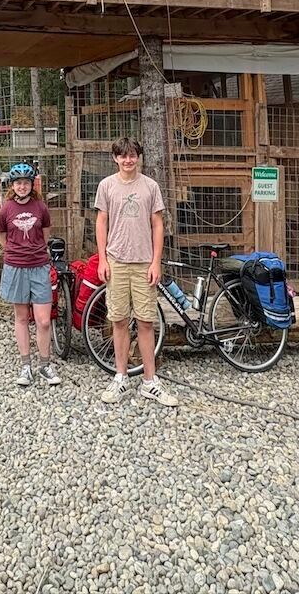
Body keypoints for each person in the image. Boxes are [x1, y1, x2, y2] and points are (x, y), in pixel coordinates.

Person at [94, 137, 177, 407]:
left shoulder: (150, 186)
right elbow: (101, 222)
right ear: (115, 158)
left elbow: (157, 224)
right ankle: (120, 376)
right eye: (123, 156)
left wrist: (156, 262)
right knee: (118, 320)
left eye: (132, 156)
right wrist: (103, 259)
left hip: (143, 263)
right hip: (117, 261)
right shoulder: (107, 186)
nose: (128, 160)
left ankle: (150, 381)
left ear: (138, 157)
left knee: (145, 321)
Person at [0, 162, 61, 388]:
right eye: (18, 183)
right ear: (12, 185)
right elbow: (3, 237)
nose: (22, 187)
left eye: (26, 183)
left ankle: (44, 364)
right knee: (22, 317)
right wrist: (16, 253)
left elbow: (45, 234)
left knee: (43, 320)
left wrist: (34, 251)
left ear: (32, 185)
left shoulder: (41, 207)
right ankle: (26, 365)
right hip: (16, 267)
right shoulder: (6, 209)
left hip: (39, 266)